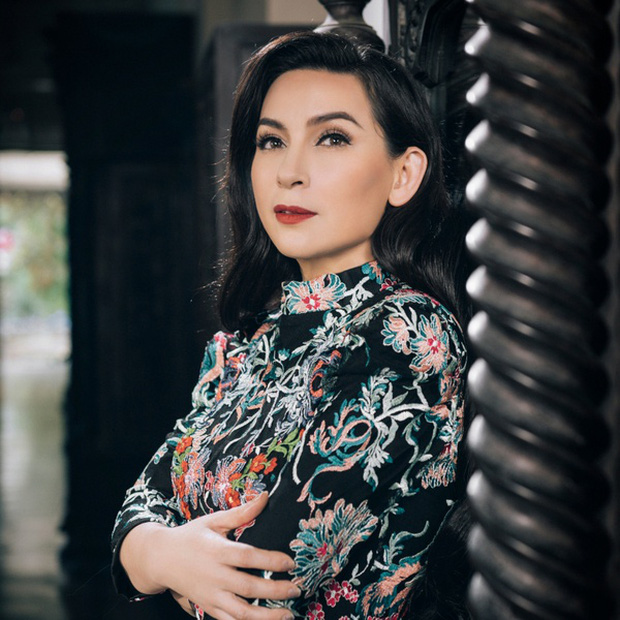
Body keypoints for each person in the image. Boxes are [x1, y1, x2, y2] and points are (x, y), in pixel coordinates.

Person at [111, 30, 473, 620]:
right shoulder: (247, 339)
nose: (290, 172)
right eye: (271, 141)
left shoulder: (407, 335)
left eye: (332, 138)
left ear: (403, 174)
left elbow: (258, 581)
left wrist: (158, 556)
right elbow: (138, 506)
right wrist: (153, 551)